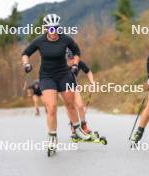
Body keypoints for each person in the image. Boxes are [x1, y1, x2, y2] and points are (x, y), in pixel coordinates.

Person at [21, 14, 91, 148]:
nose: (54, 32)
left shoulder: (65, 39)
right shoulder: (39, 41)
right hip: (47, 77)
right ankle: (52, 136)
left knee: (70, 104)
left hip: (64, 75)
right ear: (46, 29)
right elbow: (25, 54)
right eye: (51, 29)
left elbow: (76, 52)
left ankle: (77, 130)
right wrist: (26, 64)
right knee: (51, 107)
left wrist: (75, 65)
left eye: (56, 29)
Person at [65, 49, 95, 134]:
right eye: (71, 60)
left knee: (80, 105)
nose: (74, 62)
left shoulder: (78, 62)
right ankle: (74, 125)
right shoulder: (61, 65)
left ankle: (83, 125)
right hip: (63, 87)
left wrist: (92, 81)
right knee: (71, 106)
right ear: (67, 59)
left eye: (75, 59)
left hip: (74, 84)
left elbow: (88, 71)